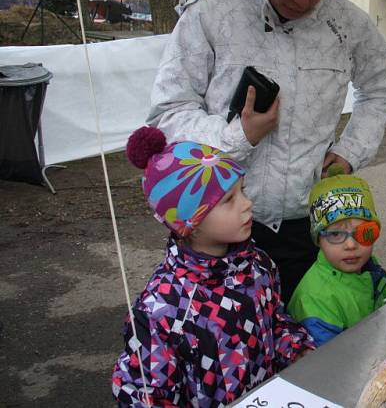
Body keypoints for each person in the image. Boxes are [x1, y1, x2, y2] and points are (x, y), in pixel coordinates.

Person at [147, 0, 386, 303]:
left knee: (309, 348)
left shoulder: (347, 24)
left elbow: (383, 86)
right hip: (218, 226)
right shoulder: (213, 12)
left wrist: (350, 150)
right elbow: (169, 113)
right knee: (230, 351)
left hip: (309, 224)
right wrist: (238, 135)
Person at [112, 126, 315, 407]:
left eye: (242, 191)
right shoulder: (162, 308)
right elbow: (144, 393)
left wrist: (298, 350)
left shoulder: (258, 265)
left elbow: (276, 323)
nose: (247, 204)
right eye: (228, 200)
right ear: (190, 224)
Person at [287, 168, 386, 345]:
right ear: (318, 240)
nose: (351, 245)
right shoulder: (316, 300)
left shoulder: (370, 268)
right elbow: (329, 361)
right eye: (335, 235)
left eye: (364, 233)